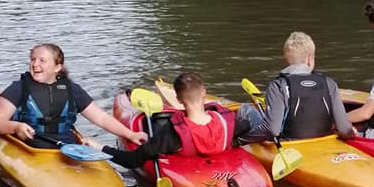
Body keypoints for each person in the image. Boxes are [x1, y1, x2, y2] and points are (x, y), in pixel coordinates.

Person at [0, 43, 147, 148]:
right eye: (33, 59)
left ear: (57, 67)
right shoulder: (19, 88)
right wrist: (15, 126)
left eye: (42, 61)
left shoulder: (72, 89)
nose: (35, 64)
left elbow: (102, 118)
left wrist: (130, 134)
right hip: (28, 146)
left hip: (65, 147)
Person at [80, 71, 251, 167]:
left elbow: (131, 161)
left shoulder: (173, 134)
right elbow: (249, 126)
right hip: (219, 162)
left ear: (177, 99)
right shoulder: (226, 121)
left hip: (182, 157)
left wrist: (98, 146)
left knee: (154, 130)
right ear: (204, 92)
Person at [236, 31, 357, 141]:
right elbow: (344, 130)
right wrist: (351, 133)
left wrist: (243, 139)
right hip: (323, 141)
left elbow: (272, 130)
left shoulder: (278, 86)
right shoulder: (329, 83)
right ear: (310, 58)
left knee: (246, 109)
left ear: (286, 59)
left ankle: (236, 139)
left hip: (289, 145)